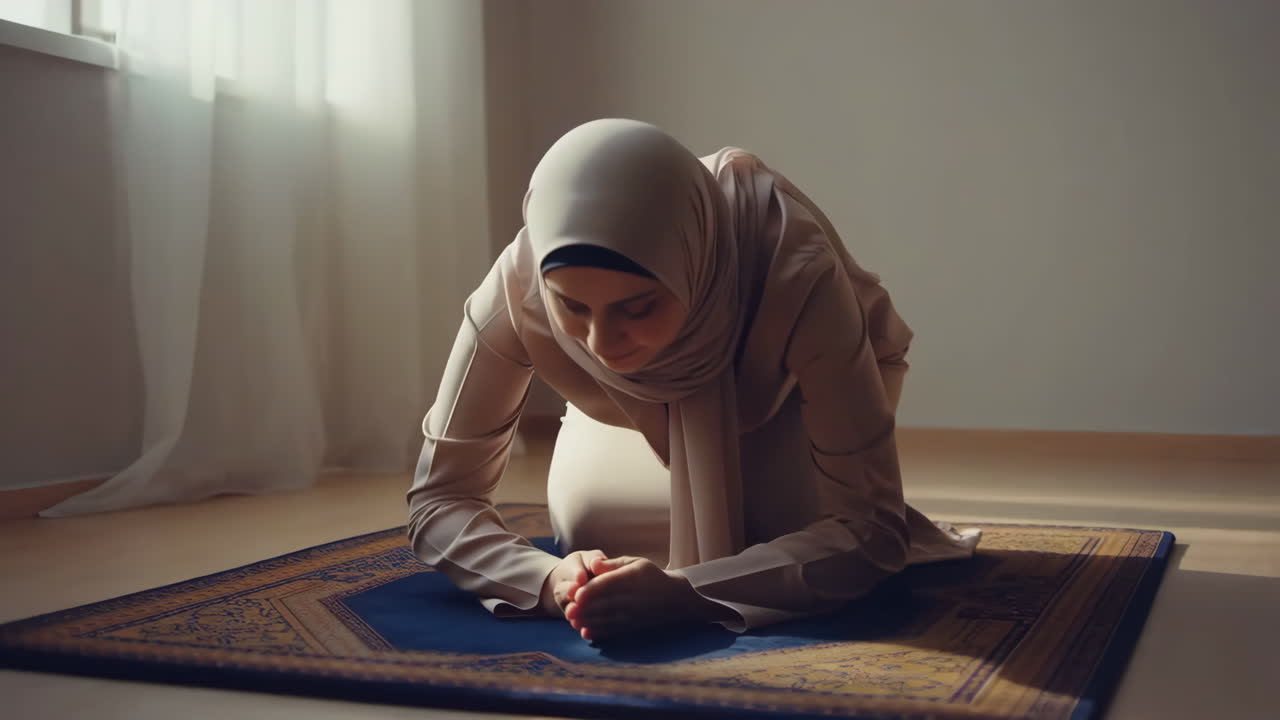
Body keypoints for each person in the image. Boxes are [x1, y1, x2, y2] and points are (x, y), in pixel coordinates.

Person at [406, 119, 979, 642]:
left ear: (691, 267)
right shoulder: (517, 284)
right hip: (620, 412)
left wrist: (691, 593)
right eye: (573, 308)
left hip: (784, 406)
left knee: (778, 530)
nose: (603, 344)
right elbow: (439, 501)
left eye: (639, 307)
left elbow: (872, 530)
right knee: (592, 529)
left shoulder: (792, 270)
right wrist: (549, 579)